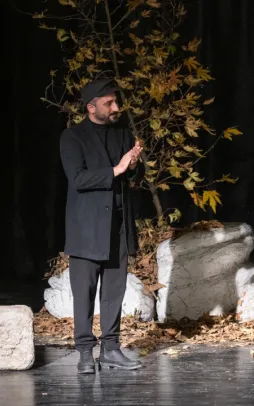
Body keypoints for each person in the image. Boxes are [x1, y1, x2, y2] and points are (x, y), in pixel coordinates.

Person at [59, 79, 144, 373]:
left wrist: (133, 165)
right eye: (109, 103)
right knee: (84, 292)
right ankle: (85, 352)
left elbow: (133, 177)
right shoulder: (72, 137)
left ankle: (111, 349)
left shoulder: (122, 132)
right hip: (86, 228)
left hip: (117, 225)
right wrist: (117, 168)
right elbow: (78, 179)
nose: (116, 107)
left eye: (115, 101)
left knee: (114, 291)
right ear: (91, 107)